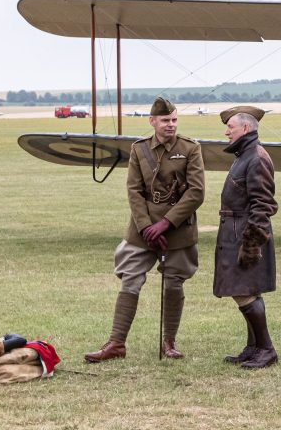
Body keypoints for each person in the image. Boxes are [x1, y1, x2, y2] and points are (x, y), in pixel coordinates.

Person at [84, 97, 205, 362]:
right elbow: (134, 191)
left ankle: (169, 343)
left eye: (174, 120)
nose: (170, 125)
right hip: (143, 230)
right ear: (153, 122)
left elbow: (196, 193)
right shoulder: (139, 150)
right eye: (165, 120)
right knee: (130, 279)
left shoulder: (191, 148)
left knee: (174, 284)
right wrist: (147, 227)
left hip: (178, 229)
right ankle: (116, 343)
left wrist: (166, 223)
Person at [215, 106, 279, 369]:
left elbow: (263, 205)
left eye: (230, 126)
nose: (226, 131)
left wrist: (251, 244)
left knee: (244, 292)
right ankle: (253, 348)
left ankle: (266, 349)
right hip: (236, 230)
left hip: (244, 233)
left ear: (246, 128)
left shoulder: (256, 157)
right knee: (246, 290)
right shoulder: (245, 154)